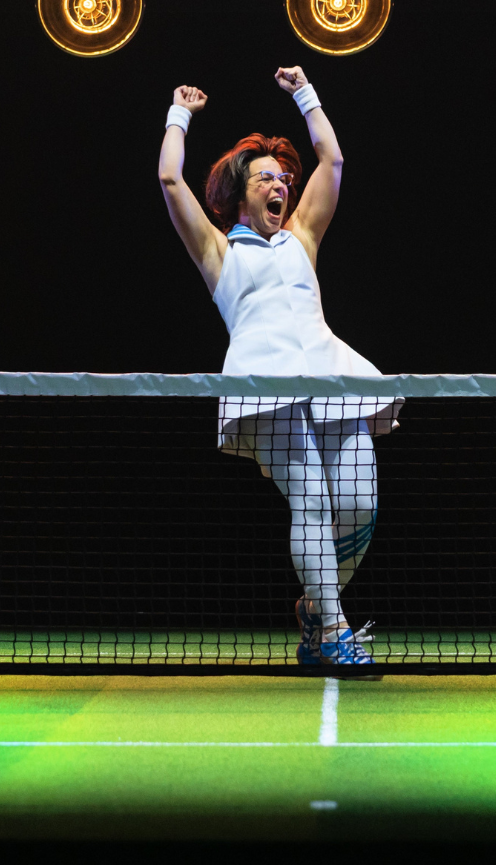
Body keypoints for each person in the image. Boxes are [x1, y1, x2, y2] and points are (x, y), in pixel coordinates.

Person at [157, 66, 392, 669]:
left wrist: (306, 95)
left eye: (283, 177)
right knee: (310, 503)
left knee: (360, 503)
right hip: (266, 386)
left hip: (332, 375)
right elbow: (168, 177)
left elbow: (332, 161)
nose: (280, 184)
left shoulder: (302, 238)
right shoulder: (218, 251)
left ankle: (315, 611)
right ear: (241, 190)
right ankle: (335, 631)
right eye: (266, 177)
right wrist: (180, 114)